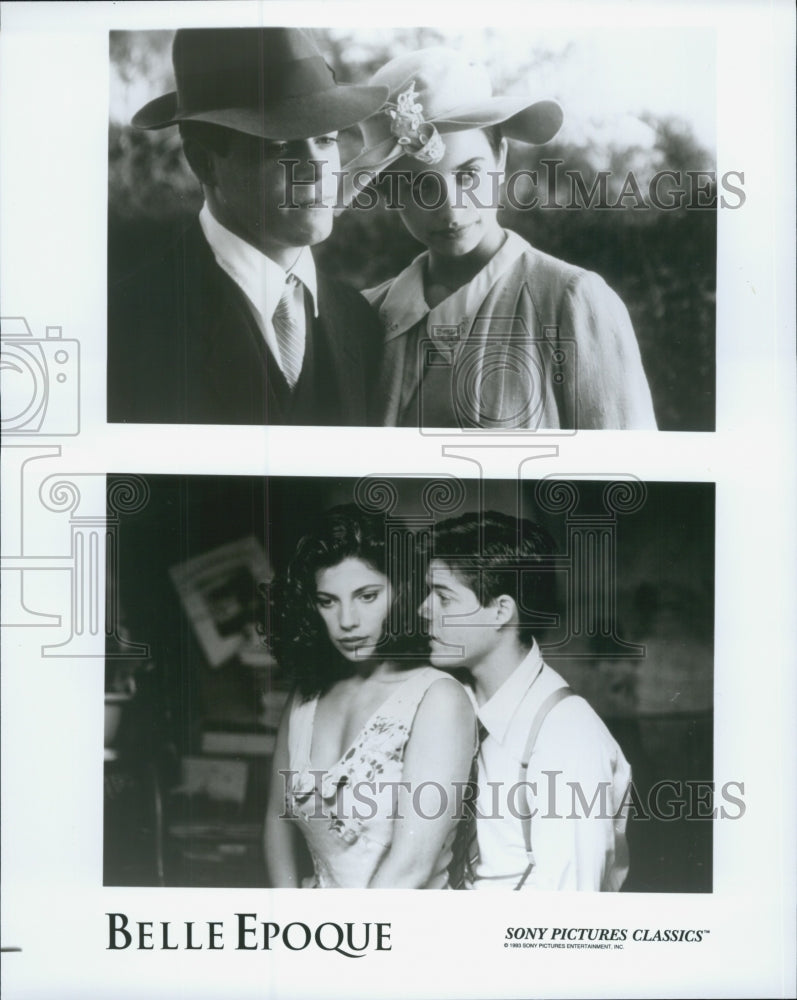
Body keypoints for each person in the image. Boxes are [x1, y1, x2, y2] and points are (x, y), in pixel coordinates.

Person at [343, 48, 657, 430]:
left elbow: (623, 471)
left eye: (468, 175)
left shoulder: (570, 300)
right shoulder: (364, 315)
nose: (449, 209)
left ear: (500, 159)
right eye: (417, 186)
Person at [108, 28, 388, 425]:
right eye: (279, 147)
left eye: (325, 140)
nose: (315, 170)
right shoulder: (128, 326)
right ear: (204, 163)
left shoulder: (360, 321)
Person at [264, 505, 475, 888]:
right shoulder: (305, 696)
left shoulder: (439, 698)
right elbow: (276, 829)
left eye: (367, 596)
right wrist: (292, 924)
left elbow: (412, 865)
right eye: (327, 601)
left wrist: (340, 937)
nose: (347, 621)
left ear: (401, 592)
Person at [418, 510, 631, 890]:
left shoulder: (567, 732)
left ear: (501, 610)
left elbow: (568, 907)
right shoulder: (454, 705)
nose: (424, 610)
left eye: (444, 598)